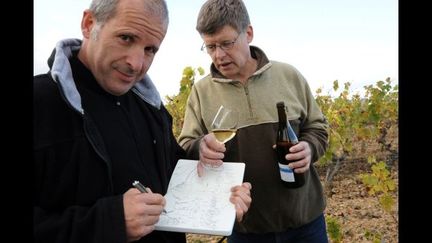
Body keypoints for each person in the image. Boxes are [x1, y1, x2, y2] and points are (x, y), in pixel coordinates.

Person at [33, 0, 252, 242]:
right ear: (89, 24)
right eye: (126, 38)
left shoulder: (151, 108)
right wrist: (107, 222)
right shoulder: (40, 104)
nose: (136, 64)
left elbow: (174, 176)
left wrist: (219, 197)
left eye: (150, 50)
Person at [178, 0, 329, 242]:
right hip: (244, 229)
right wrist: (199, 148)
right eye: (210, 47)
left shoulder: (288, 76)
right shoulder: (201, 92)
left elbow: (318, 127)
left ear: (248, 33)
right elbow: (186, 144)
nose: (219, 55)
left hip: (305, 223)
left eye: (227, 43)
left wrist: (309, 148)